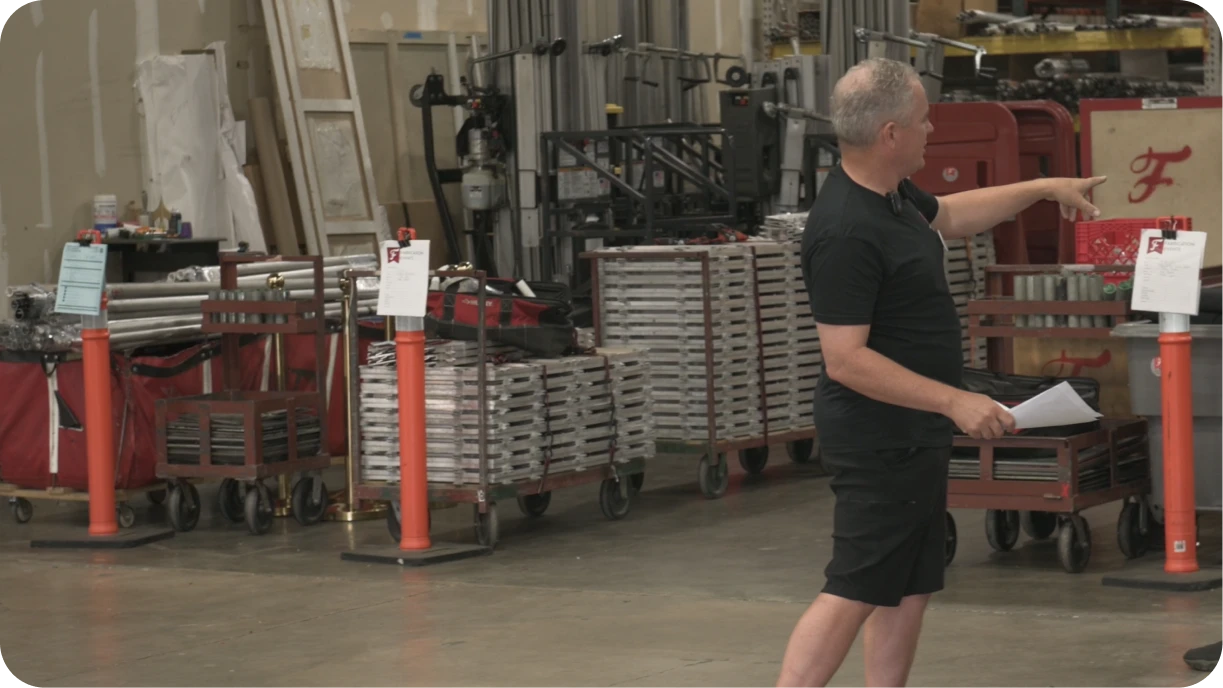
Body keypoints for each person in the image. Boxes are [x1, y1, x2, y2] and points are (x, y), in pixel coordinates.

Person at [777, 57, 1108, 688]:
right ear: (890, 135)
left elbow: (953, 216)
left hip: (914, 430)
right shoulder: (846, 229)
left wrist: (1044, 188)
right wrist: (954, 402)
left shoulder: (893, 196)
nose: (933, 130)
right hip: (878, 437)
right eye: (924, 120)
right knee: (857, 583)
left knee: (908, 585)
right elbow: (844, 360)